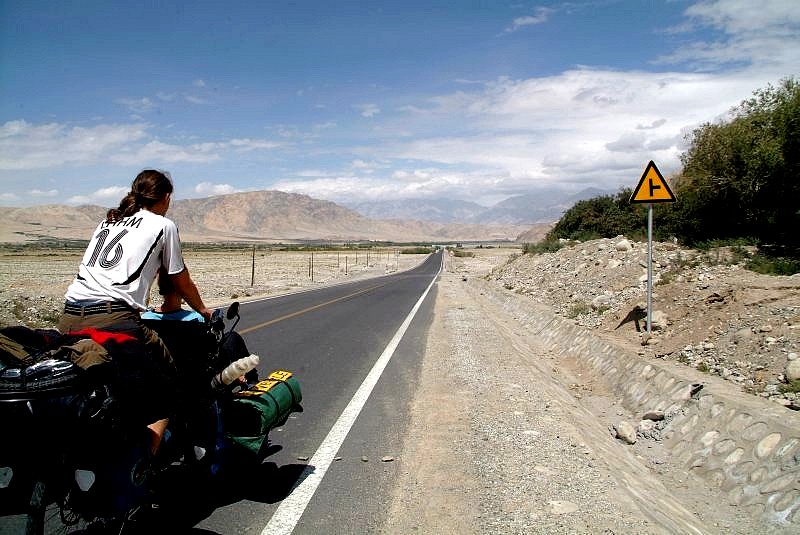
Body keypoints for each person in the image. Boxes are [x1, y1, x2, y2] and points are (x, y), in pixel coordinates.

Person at [59, 169, 212, 455]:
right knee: (165, 389)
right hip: (114, 319)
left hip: (68, 317)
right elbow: (179, 277)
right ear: (166, 197)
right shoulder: (162, 225)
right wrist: (202, 309)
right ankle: (143, 472)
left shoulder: (108, 222)